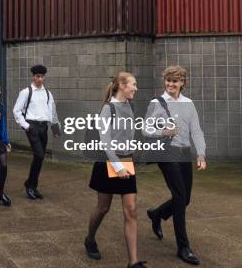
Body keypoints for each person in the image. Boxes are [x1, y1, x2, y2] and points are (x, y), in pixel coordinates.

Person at [143, 65, 207, 266]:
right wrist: (163, 133)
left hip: (184, 153)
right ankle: (183, 247)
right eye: (168, 81)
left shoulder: (189, 103)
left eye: (175, 81)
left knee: (185, 198)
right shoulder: (157, 103)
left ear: (182, 83)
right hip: (166, 152)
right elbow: (145, 129)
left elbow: (196, 130)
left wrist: (201, 154)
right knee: (179, 197)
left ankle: (157, 214)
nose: (171, 84)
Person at [84, 72, 147, 268]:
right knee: (103, 208)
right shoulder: (108, 109)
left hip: (126, 161)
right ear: (121, 85)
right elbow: (106, 143)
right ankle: (90, 239)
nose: (135, 88)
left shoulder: (131, 106)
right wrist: (117, 167)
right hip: (108, 163)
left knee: (131, 210)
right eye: (133, 85)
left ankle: (133, 262)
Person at [12, 64, 61, 200]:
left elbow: (52, 111)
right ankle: (30, 187)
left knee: (40, 157)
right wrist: (26, 125)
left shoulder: (47, 93)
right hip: (32, 126)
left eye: (42, 77)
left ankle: (32, 184)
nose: (40, 79)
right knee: (39, 155)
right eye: (37, 76)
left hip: (43, 127)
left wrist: (55, 128)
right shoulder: (26, 92)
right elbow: (16, 110)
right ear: (33, 77)